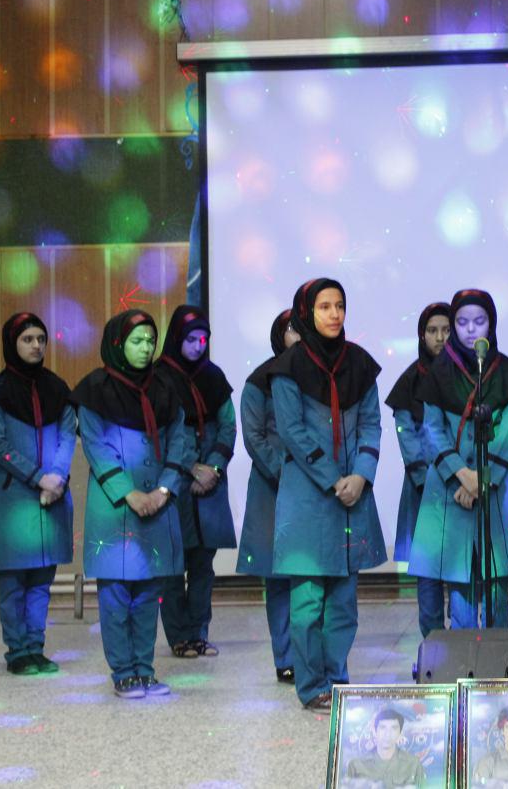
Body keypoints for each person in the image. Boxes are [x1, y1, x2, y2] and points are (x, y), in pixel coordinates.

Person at [263, 278, 386, 712]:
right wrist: (336, 480)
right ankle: (312, 683)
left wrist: (361, 476)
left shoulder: (360, 364)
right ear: (306, 313)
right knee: (308, 602)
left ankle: (337, 679)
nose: (334, 314)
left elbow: (371, 424)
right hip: (310, 497)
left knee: (344, 604)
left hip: (353, 496)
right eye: (324, 307)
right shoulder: (286, 369)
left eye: (339, 306)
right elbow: (292, 432)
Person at [71, 310, 192, 698]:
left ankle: (145, 669)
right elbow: (96, 446)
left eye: (150, 341)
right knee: (116, 595)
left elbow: (180, 443)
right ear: (117, 343)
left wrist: (164, 490)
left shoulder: (166, 388)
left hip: (158, 505)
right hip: (115, 508)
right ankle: (123, 671)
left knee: (148, 596)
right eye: (136, 341)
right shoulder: (94, 390)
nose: (145, 348)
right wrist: (130, 493)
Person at [409, 289, 508, 630]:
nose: (470, 329)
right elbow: (432, 430)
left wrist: (481, 479)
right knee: (459, 584)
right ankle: (463, 657)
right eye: (462, 322)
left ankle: (497, 659)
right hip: (450, 490)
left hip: (494, 489)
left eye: (479, 321)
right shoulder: (438, 374)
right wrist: (462, 474)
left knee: (495, 587)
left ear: (491, 324)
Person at [0, 312, 75, 676]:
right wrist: (39, 478)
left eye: (41, 339)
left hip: (53, 495)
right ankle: (17, 651)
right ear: (11, 343)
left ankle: (36, 647)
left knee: (41, 582)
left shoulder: (59, 390)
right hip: (13, 498)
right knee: (13, 582)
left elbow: (68, 436)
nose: (36, 346)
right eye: (27, 339)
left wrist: (57, 477)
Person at [155, 305, 237, 659]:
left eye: (203, 339)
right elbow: (160, 432)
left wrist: (213, 467)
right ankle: (179, 636)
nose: (197, 346)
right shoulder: (159, 379)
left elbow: (228, 425)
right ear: (176, 338)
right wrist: (191, 467)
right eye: (191, 339)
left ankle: (198, 633)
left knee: (203, 565)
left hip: (210, 486)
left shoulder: (213, 376)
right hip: (175, 483)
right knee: (173, 565)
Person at [236, 309, 299, 683]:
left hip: (315, 486)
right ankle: (286, 657)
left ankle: (312, 655)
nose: (298, 334)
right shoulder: (259, 381)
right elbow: (254, 437)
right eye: (292, 328)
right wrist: (287, 472)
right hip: (273, 485)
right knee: (279, 579)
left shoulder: (320, 377)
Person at [386, 302, 452, 638]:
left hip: (460, 490)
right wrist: (427, 481)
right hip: (423, 490)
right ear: (421, 335)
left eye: (446, 330)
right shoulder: (410, 381)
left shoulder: (465, 377)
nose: (440, 338)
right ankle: (434, 647)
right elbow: (406, 434)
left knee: (461, 573)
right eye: (432, 331)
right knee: (427, 575)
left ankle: (464, 647)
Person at [345, 708, 427, 787]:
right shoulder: (356, 765)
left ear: (400, 733)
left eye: (394, 728)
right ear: (374, 731)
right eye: (383, 728)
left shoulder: (413, 765)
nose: (387, 734)